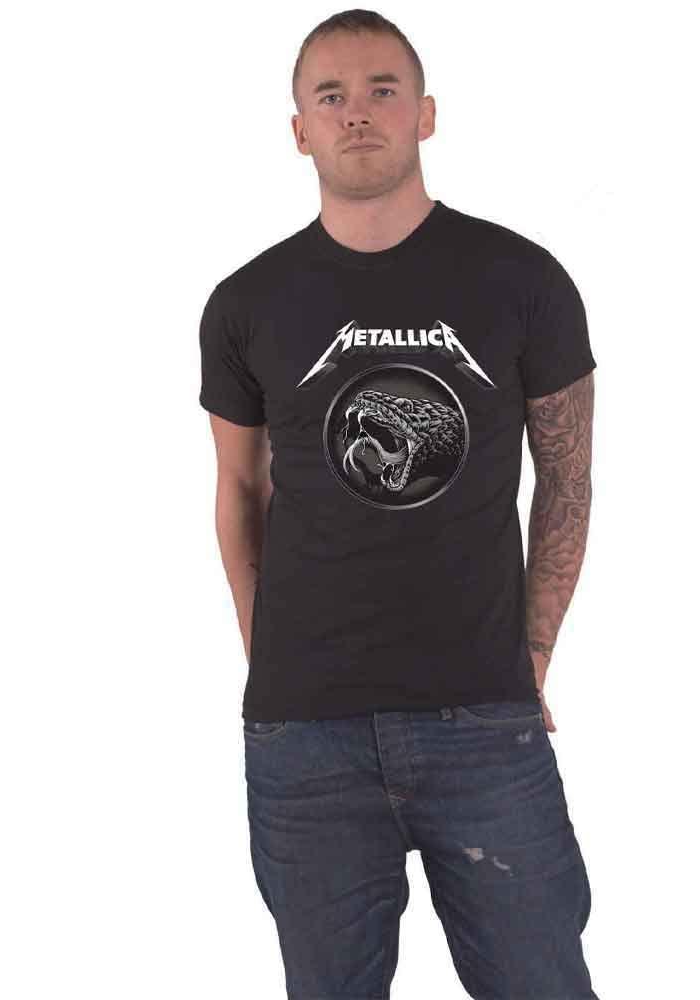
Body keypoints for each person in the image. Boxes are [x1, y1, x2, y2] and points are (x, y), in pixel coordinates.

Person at [198, 9, 598, 998]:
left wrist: (532, 655)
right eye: (329, 95)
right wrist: (269, 654)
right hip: (304, 738)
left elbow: (567, 479)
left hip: (484, 724)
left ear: (425, 114)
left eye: (382, 90)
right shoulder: (247, 303)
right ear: (299, 130)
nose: (357, 113)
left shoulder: (523, 280)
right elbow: (239, 491)